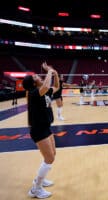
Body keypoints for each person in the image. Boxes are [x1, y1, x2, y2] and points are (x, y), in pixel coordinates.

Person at [22, 62, 59, 199]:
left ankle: (40, 180)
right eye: (36, 76)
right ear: (33, 84)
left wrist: (55, 73)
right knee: (49, 158)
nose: (38, 76)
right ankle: (35, 189)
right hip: (38, 130)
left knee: (52, 155)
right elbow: (45, 87)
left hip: (46, 127)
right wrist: (49, 70)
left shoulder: (42, 91)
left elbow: (55, 87)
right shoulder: (33, 93)